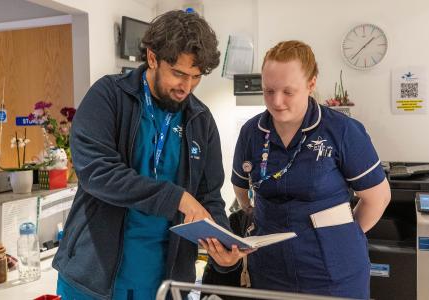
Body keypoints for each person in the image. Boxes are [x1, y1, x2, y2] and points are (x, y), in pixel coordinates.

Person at [53, 10, 247, 300]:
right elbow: (97, 173)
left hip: (164, 284)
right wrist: (176, 197)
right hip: (93, 281)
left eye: (196, 77)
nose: (187, 87)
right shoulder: (108, 97)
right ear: (153, 57)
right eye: (179, 73)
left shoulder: (200, 120)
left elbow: (208, 195)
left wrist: (223, 244)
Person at [231, 40, 391, 299]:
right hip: (269, 267)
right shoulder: (251, 133)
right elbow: (241, 189)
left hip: (333, 270)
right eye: (268, 91)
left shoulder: (342, 131)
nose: (277, 101)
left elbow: (378, 197)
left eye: (288, 92)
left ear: (311, 84)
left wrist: (338, 235)